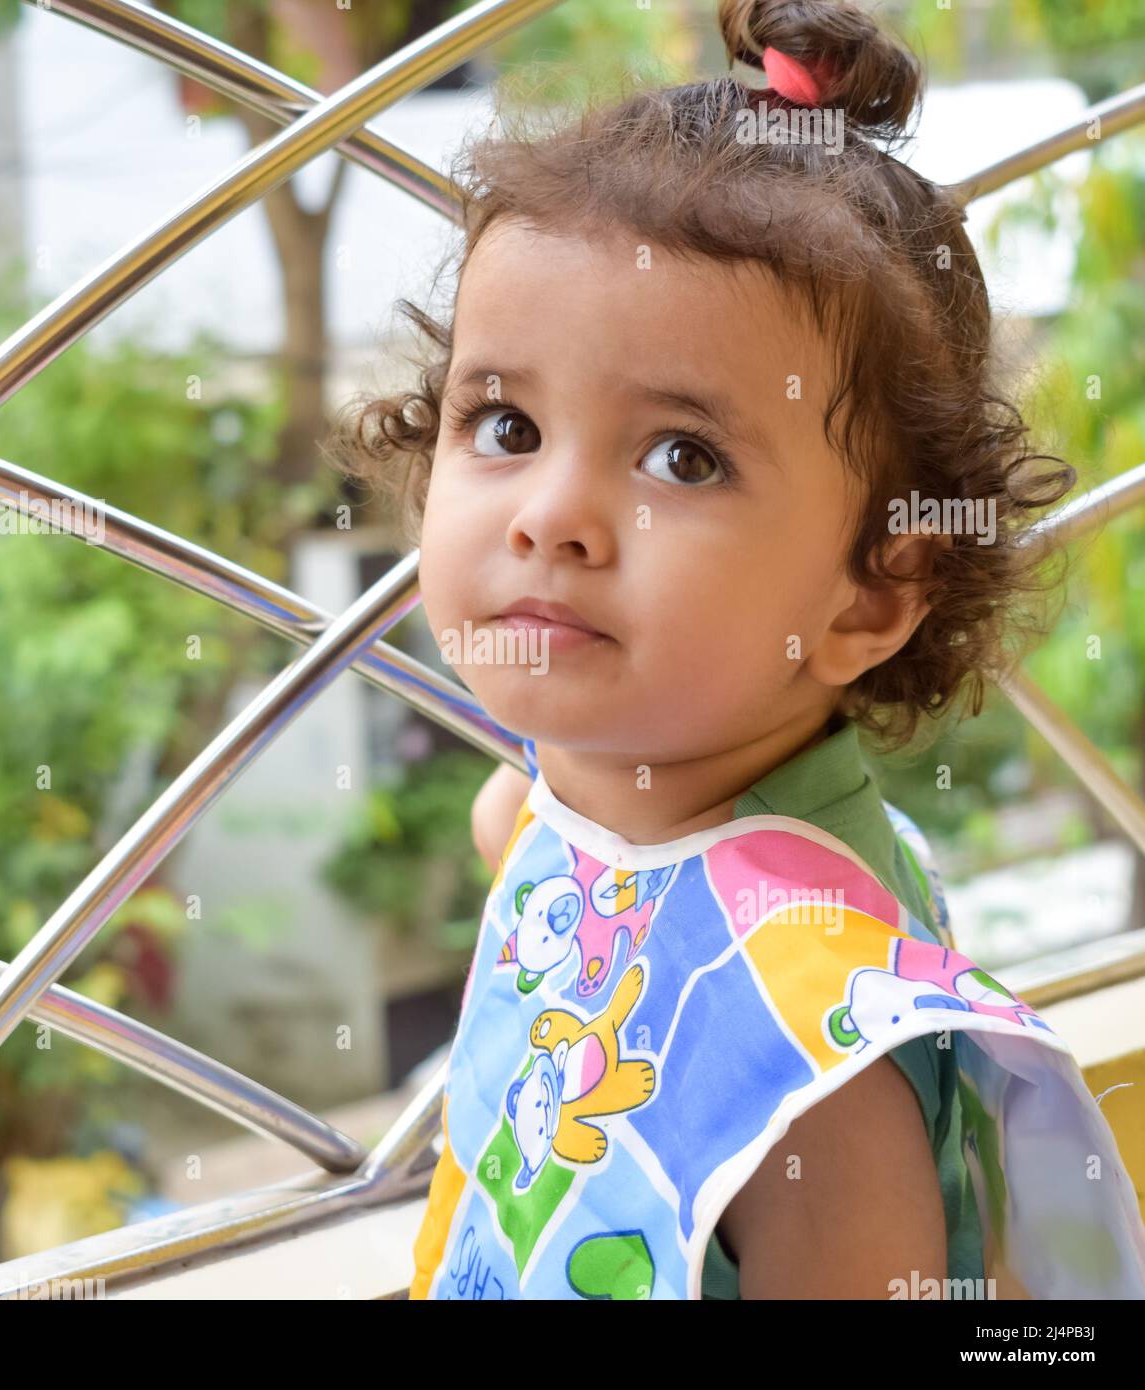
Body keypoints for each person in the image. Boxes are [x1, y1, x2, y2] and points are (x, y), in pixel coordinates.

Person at [329, 0, 1145, 1300]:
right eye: (504, 424)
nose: (550, 517)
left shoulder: (809, 1076)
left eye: (682, 456)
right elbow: (530, 843)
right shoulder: (566, 801)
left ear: (874, 595)